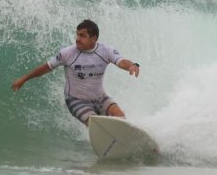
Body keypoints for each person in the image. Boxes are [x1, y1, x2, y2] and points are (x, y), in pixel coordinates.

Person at [11, 19, 140, 126]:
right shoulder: (68, 53)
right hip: (76, 100)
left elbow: (121, 61)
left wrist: (132, 65)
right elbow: (46, 67)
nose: (77, 39)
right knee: (95, 124)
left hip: (100, 97)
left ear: (94, 38)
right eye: (77, 35)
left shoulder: (106, 50)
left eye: (82, 36)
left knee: (121, 117)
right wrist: (24, 79)